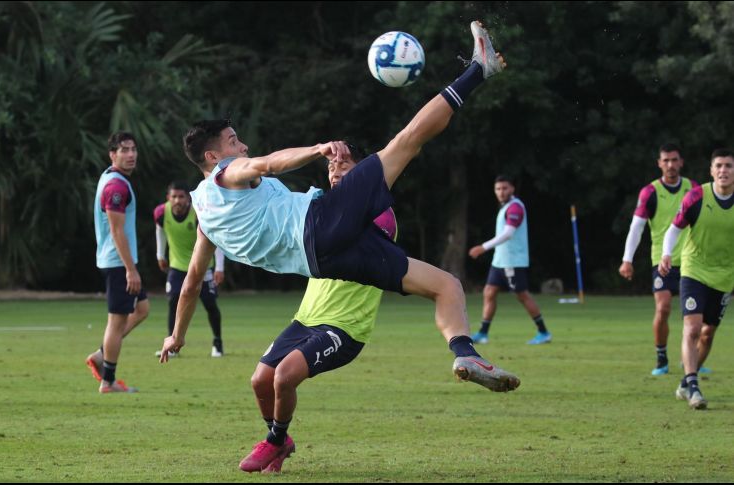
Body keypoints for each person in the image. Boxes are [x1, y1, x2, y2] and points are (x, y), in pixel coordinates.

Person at [162, 21, 519, 394]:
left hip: (324, 261)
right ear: (212, 156)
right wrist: (316, 150)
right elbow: (267, 163)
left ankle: (464, 352)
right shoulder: (226, 171)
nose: (243, 148)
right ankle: (479, 69)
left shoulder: (205, 217)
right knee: (406, 142)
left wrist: (176, 336)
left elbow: (190, 285)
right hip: (321, 226)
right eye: (234, 142)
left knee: (446, 286)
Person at [236, 144, 398, 473]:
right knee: (260, 380)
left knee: (284, 376)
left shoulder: (380, 214)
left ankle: (276, 441)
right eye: (330, 167)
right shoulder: (323, 207)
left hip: (345, 326)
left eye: (344, 165)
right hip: (306, 318)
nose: (335, 171)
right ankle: (279, 440)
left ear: (365, 170)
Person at [660, 148, 734, 410]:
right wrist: (667, 254)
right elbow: (673, 229)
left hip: (725, 276)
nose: (723, 171)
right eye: (719, 166)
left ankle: (684, 381)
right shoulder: (697, 196)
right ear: (711, 171)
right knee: (692, 328)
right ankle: (693, 386)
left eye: (728, 166)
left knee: (707, 334)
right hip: (694, 270)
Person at [619, 144, 700, 375]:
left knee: (695, 315)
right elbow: (636, 228)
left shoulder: (694, 189)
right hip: (661, 261)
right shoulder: (650, 192)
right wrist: (627, 259)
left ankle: (691, 360)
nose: (671, 165)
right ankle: (661, 357)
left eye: (674, 160)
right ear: (659, 163)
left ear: (681, 162)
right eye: (666, 160)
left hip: (691, 261)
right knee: (663, 308)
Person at [85, 132, 149, 393]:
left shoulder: (113, 178)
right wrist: (130, 270)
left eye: (133, 149)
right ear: (113, 154)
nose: (131, 154)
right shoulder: (116, 186)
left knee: (142, 309)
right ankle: (108, 381)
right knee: (117, 321)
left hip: (119, 260)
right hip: (118, 263)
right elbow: (116, 230)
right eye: (124, 150)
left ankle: (102, 354)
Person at [467, 175, 551, 345]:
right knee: (489, 292)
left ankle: (543, 332)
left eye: (504, 188)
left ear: (512, 189)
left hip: (512, 261)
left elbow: (508, 233)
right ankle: (483, 333)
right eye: (498, 189)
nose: (501, 192)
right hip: (500, 261)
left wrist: (483, 247)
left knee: (523, 296)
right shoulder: (505, 207)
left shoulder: (515, 208)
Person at [154, 181, 226, 358]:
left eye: (181, 197)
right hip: (177, 266)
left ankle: (217, 343)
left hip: (202, 266)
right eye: (174, 197)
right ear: (168, 198)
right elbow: (160, 231)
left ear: (188, 198)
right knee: (173, 303)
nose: (177, 200)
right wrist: (160, 255)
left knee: (210, 304)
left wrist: (219, 267)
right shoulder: (161, 213)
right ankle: (172, 344)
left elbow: (216, 238)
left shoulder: (199, 213)